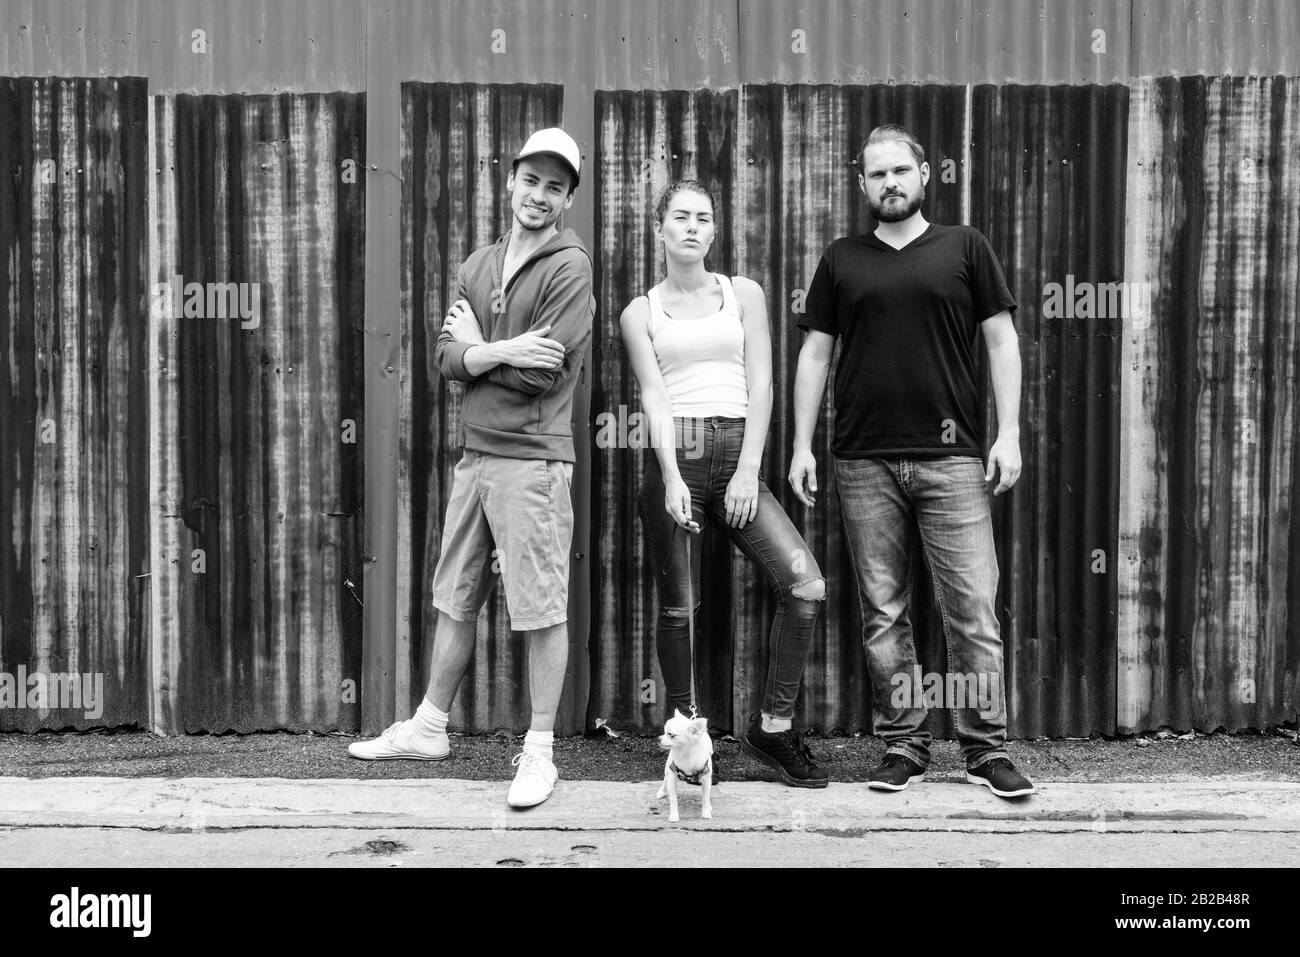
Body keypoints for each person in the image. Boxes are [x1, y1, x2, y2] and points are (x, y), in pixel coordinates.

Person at [348, 128, 595, 810]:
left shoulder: (570, 269)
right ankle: (429, 727)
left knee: (540, 606)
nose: (539, 195)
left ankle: (541, 752)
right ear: (510, 179)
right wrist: (497, 350)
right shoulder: (478, 263)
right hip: (477, 456)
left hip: (534, 463)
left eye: (555, 186)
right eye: (531, 180)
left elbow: (542, 375)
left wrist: (482, 349)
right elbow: (445, 358)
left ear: (568, 198)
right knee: (455, 593)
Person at [790, 124, 1035, 798]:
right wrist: (799, 444)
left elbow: (1002, 341)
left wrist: (1007, 432)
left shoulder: (964, 247)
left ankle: (986, 748)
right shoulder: (842, 259)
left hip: (952, 458)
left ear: (926, 175)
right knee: (883, 612)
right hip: (862, 460)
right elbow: (815, 352)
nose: (890, 183)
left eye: (901, 171)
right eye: (877, 174)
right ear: (861, 183)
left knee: (971, 608)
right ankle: (905, 742)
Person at [619, 180, 829, 789]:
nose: (691, 227)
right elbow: (654, 395)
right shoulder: (641, 311)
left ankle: (774, 726)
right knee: (679, 607)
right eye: (679, 217)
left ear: (715, 231)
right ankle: (687, 741)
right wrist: (667, 476)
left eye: (703, 218)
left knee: (806, 586)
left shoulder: (744, 294)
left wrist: (746, 470)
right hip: (675, 456)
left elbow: (761, 383)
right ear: (659, 228)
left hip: (738, 453)